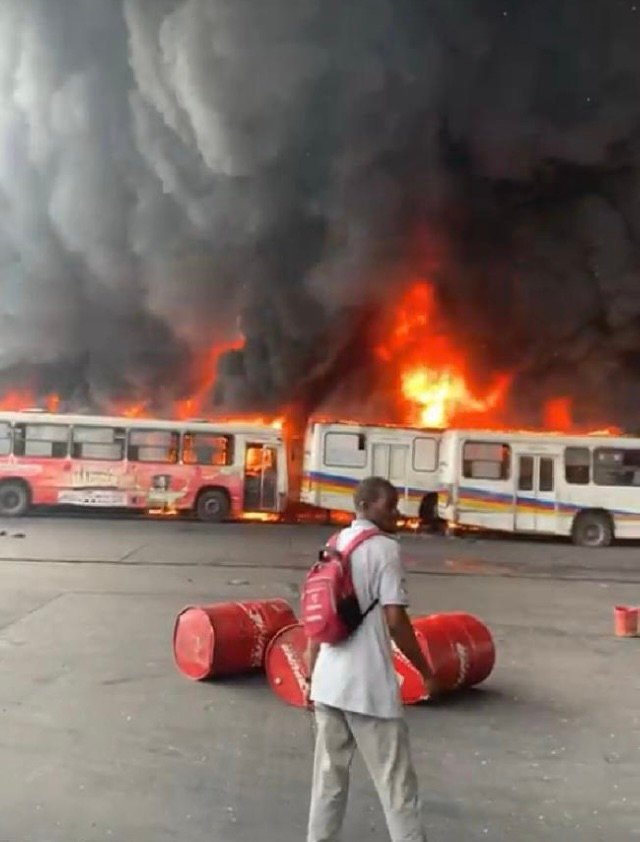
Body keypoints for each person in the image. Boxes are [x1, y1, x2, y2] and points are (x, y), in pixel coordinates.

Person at [305, 476, 439, 842]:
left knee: (328, 782)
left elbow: (317, 618)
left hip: (328, 686)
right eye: (389, 505)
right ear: (365, 506)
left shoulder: (333, 543)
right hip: (368, 690)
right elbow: (396, 620)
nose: (396, 513)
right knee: (397, 787)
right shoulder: (384, 550)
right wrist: (425, 671)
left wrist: (310, 672)